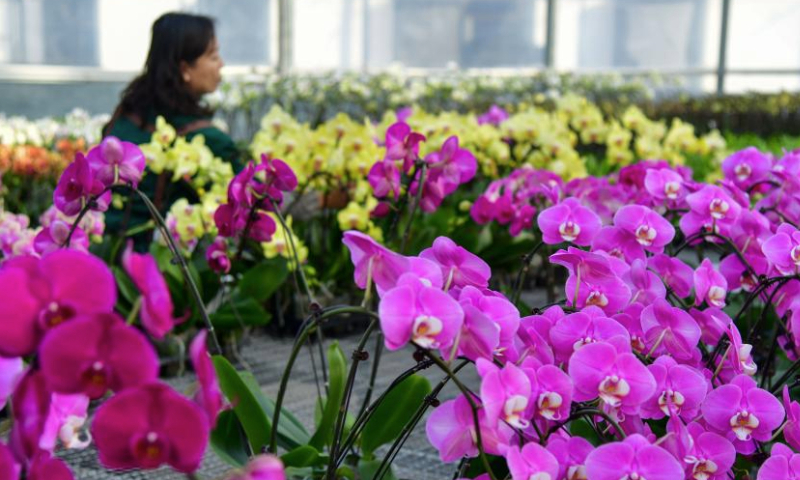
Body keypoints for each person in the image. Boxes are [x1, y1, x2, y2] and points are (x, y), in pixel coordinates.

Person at [103, 12, 241, 245]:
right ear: (185, 68)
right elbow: (252, 200)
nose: (222, 64)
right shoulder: (210, 140)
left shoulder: (123, 118)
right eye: (213, 55)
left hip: (105, 251)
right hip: (163, 268)